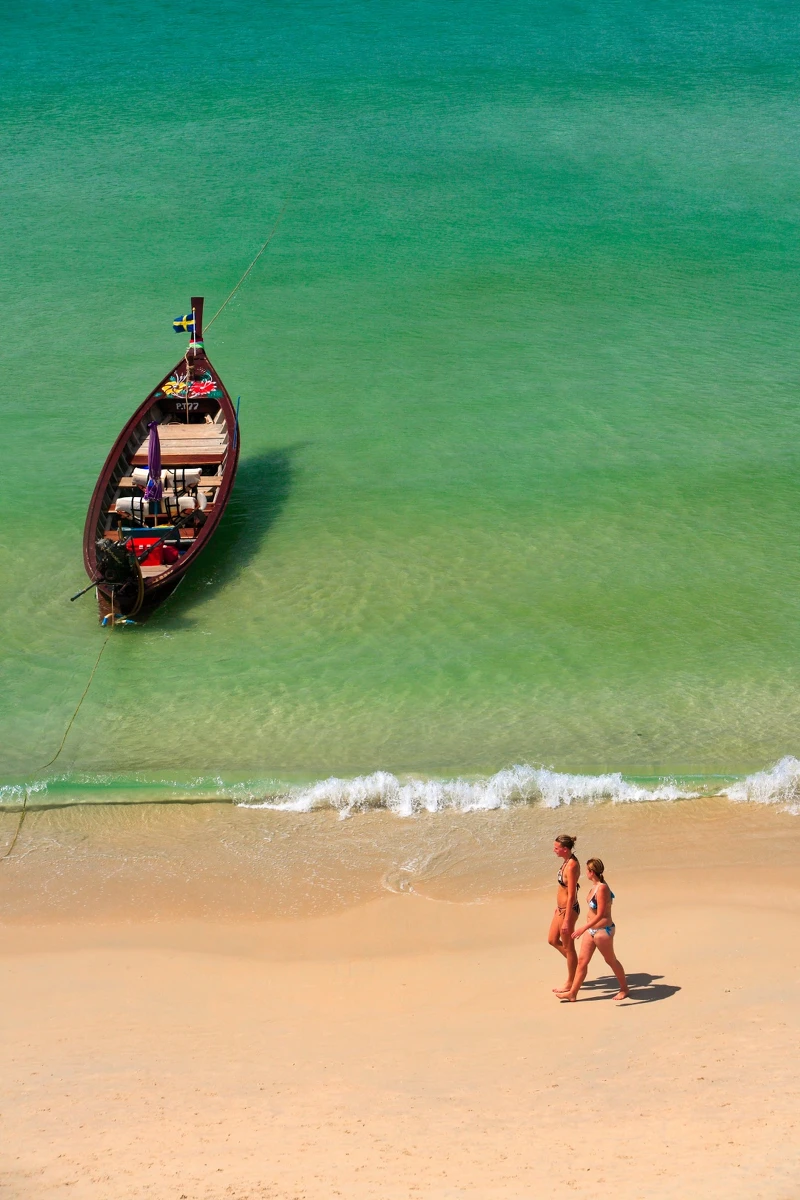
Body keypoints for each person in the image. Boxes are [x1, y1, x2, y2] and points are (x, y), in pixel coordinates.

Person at [557, 857, 628, 1002]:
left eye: (587, 871)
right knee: (582, 962)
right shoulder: (595, 886)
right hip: (591, 931)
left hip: (603, 931)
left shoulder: (602, 888)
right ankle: (573, 993)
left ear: (591, 872)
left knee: (611, 960)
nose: (585, 873)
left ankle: (624, 988)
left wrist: (583, 927)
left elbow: (601, 913)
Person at [548, 834, 581, 993]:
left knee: (569, 947)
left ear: (565, 849)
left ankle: (571, 980)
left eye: (556, 848)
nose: (554, 850)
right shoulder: (566, 862)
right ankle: (576, 967)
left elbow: (572, 894)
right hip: (560, 909)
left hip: (568, 911)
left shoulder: (572, 865)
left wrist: (567, 919)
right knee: (552, 940)